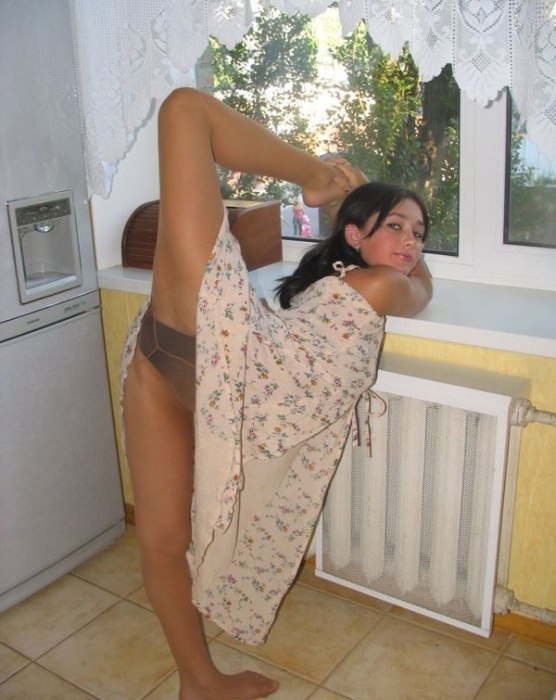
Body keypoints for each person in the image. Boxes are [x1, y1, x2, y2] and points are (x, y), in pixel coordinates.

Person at [121, 87, 432, 700]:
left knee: (162, 539)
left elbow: (418, 282)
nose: (411, 244)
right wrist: (385, 235)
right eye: (394, 226)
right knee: (184, 108)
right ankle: (198, 679)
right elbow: (422, 285)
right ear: (352, 234)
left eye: (419, 233)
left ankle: (197, 682)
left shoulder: (378, 285)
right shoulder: (369, 285)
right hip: (221, 360)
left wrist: (385, 234)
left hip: (198, 365)